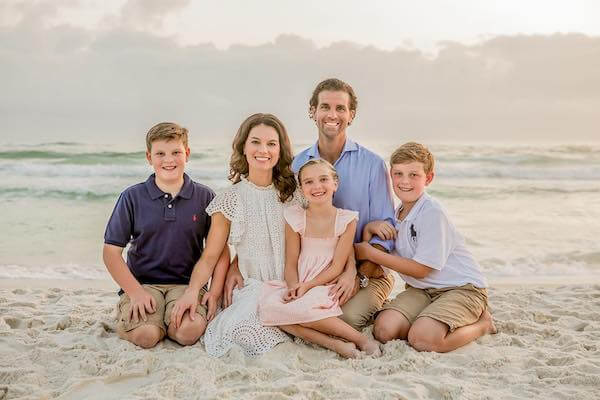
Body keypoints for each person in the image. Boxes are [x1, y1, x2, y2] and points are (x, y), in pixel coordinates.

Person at [354, 142, 497, 353]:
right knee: (383, 330)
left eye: (414, 175)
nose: (404, 181)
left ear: (428, 178)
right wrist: (369, 229)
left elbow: (421, 269)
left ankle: (483, 325)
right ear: (390, 176)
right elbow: (381, 266)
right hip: (422, 290)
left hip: (462, 289)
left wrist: (370, 252)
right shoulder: (395, 214)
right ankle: (429, 319)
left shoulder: (432, 212)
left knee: (422, 340)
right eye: (398, 174)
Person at [103, 122, 230, 348]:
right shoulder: (132, 197)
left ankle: (168, 322)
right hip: (143, 285)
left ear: (187, 154)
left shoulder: (205, 197)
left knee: (187, 334)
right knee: (147, 336)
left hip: (188, 286)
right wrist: (135, 293)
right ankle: (141, 320)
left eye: (176, 152)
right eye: (160, 153)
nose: (168, 160)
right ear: (149, 157)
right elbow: (111, 254)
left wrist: (215, 291)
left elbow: (219, 251)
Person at [290, 78, 396, 331]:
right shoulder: (296, 165)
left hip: (366, 271)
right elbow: (292, 222)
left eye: (340, 108)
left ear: (351, 115)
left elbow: (388, 232)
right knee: (303, 314)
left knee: (345, 321)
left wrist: (356, 275)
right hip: (312, 271)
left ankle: (381, 304)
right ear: (312, 112)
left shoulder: (372, 164)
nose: (332, 115)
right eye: (325, 107)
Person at [259, 159, 381, 358]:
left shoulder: (346, 220)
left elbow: (336, 266)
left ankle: (362, 340)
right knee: (272, 310)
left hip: (326, 282)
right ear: (302, 188)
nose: (316, 186)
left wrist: (309, 286)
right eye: (308, 182)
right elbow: (291, 261)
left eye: (323, 179)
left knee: (298, 312)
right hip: (300, 281)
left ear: (335, 184)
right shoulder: (295, 217)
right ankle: (335, 345)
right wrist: (293, 287)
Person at [201, 113, 298, 357]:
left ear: (280, 150)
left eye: (271, 144)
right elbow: (211, 254)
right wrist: (202, 291)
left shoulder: (296, 193)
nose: (263, 150)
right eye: (255, 142)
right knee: (242, 330)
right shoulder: (229, 198)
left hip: (293, 282)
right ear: (243, 147)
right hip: (253, 285)